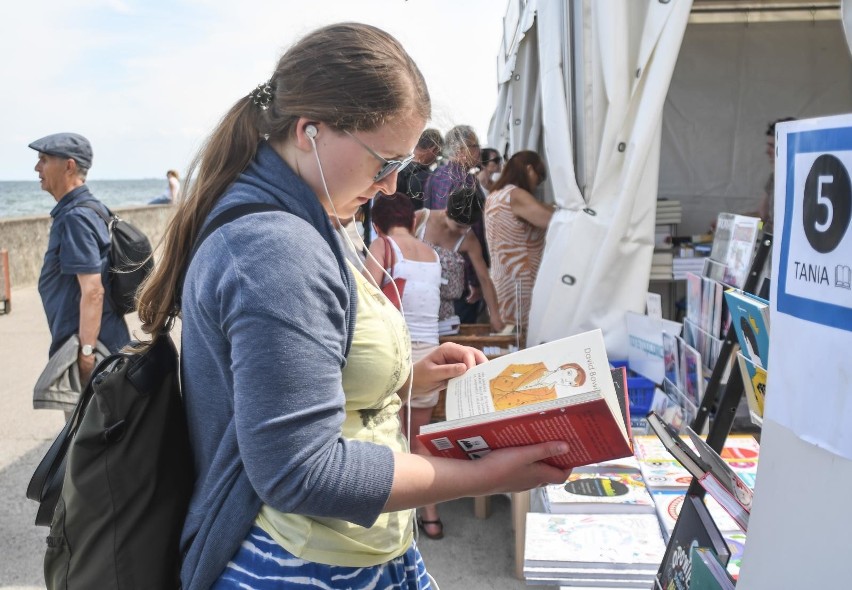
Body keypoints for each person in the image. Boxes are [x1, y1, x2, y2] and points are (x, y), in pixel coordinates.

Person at [134, 23, 569, 590]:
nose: (391, 187)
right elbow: (300, 471)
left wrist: (408, 374)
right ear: (310, 131)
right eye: (383, 162)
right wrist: (480, 475)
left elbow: (287, 389)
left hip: (341, 549)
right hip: (294, 564)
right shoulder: (276, 247)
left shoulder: (303, 213)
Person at [364, 193, 445, 540]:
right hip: (432, 351)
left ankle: (397, 521)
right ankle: (431, 517)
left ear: (377, 223)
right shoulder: (433, 254)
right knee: (419, 437)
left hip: (398, 350)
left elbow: (364, 297)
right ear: (413, 221)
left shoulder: (382, 246)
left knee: (392, 437)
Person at [29, 132, 131, 401]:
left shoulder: (76, 217)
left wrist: (86, 354)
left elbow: (93, 290)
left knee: (91, 438)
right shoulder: (89, 209)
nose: (37, 168)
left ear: (69, 166)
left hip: (94, 349)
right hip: (101, 343)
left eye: (44, 159)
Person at [416, 185, 504, 335]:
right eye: (459, 226)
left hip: (444, 314)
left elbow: (484, 278)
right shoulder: (420, 219)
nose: (463, 231)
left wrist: (495, 315)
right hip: (413, 306)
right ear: (446, 212)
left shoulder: (468, 239)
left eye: (468, 227)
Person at [484, 150, 554, 339]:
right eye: (539, 177)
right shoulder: (515, 195)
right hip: (521, 278)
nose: (538, 183)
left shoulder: (494, 196)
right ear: (530, 169)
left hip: (503, 277)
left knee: (509, 337)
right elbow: (548, 220)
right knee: (522, 337)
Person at [423, 125, 480, 211]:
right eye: (475, 145)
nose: (480, 150)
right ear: (460, 149)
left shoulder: (436, 173)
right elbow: (472, 222)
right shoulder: (466, 180)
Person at [397, 128, 443, 209]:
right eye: (439, 154)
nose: (436, 160)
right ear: (434, 149)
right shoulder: (428, 178)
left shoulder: (395, 166)